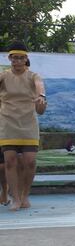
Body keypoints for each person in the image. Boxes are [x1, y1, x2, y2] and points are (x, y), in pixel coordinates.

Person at [0, 41, 46, 211]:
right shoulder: (3, 76)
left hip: (28, 123)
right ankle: (15, 198)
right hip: (7, 122)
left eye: (21, 58)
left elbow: (40, 87)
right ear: (10, 58)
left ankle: (25, 194)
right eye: (14, 58)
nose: (17, 61)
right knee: (10, 161)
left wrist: (41, 96)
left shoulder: (33, 76)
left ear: (26, 59)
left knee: (30, 162)